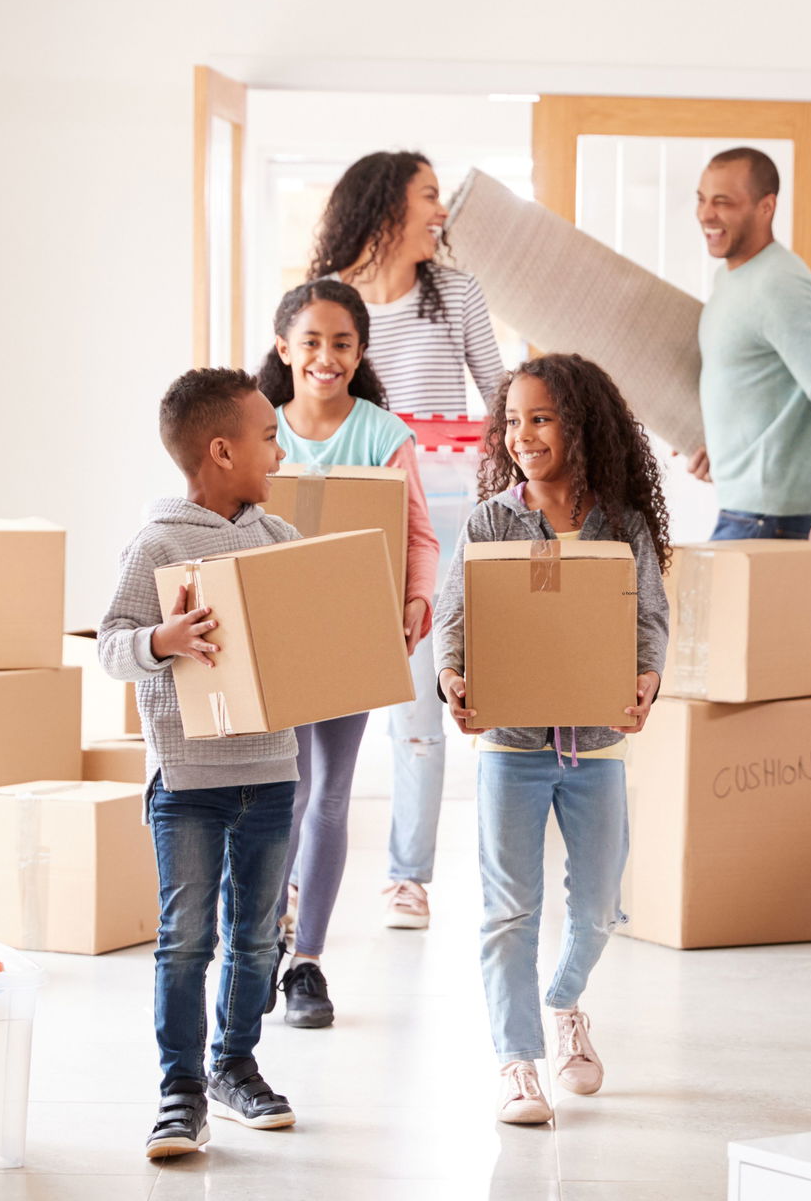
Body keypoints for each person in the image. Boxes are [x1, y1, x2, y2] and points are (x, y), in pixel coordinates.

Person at [434, 353, 671, 1125]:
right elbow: (454, 618)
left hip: (596, 743)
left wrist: (647, 677)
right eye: (511, 422)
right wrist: (452, 677)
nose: (522, 436)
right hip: (510, 742)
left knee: (600, 908)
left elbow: (650, 623)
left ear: (582, 425)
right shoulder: (489, 522)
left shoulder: (621, 525)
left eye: (539, 418)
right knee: (509, 911)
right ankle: (517, 1060)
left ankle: (564, 1001)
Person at [98, 366, 302, 1158]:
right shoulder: (157, 543)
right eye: (267, 437)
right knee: (187, 936)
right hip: (187, 782)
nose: (279, 450)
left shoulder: (277, 539)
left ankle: (235, 1064)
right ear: (222, 451)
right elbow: (113, 643)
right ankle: (180, 1088)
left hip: (272, 771)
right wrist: (163, 641)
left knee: (256, 937)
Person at [313, 150, 505, 932]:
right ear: (387, 205)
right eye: (429, 196)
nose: (441, 211)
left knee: (420, 702)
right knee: (319, 697)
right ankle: (300, 874)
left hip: (443, 518)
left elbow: (501, 400)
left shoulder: (455, 294)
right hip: (351, 516)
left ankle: (407, 877)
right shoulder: (331, 307)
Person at [259, 279, 441, 1029]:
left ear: (360, 352)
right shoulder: (257, 427)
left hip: (354, 631)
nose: (326, 358)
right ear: (284, 349)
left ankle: (307, 960)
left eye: (342, 344)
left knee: (330, 791)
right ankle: (260, 944)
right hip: (273, 635)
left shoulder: (382, 435)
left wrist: (414, 605)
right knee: (282, 795)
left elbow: (421, 535)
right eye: (311, 342)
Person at [688, 147, 811, 547]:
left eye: (723, 202)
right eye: (701, 199)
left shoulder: (780, 285)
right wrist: (724, 450)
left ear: (766, 207)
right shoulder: (730, 280)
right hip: (746, 510)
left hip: (773, 521)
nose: (705, 214)